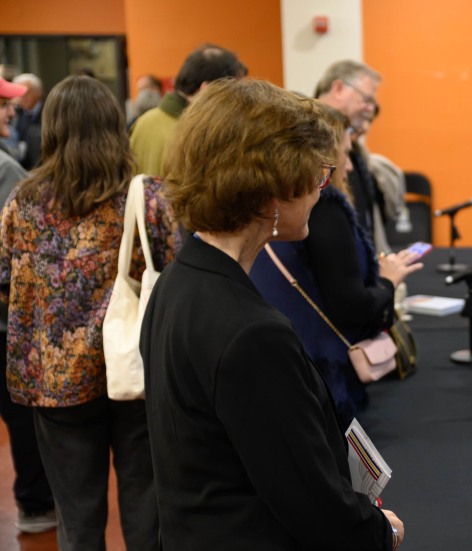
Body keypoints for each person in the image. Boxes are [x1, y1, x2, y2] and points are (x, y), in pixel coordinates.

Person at [142, 78, 404, 550]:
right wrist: (379, 531)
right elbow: (308, 499)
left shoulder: (178, 282)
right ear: (271, 188)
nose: (321, 192)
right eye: (316, 178)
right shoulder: (252, 334)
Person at [0, 75, 181, 549]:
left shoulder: (24, 203)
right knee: (148, 511)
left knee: (77, 520)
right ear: (115, 127)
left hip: (56, 384)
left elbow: (5, 281)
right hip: (136, 373)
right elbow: (178, 276)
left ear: (53, 129)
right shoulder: (148, 198)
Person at [250, 106, 423, 428]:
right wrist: (388, 281)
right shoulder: (326, 206)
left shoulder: (276, 201)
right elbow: (350, 305)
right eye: (344, 153)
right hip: (325, 373)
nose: (348, 164)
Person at [0, 76, 56, 534]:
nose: (10, 113)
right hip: (4, 325)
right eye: (2, 105)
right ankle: (36, 506)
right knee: (23, 418)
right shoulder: (7, 174)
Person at [129, 43, 247, 175]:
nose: (235, 101)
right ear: (207, 89)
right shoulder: (197, 134)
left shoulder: (142, 123)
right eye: (232, 92)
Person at [315, 60, 386, 248]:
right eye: (367, 99)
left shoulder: (353, 146)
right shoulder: (310, 140)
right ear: (338, 88)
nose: (370, 109)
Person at [11, 73, 43, 169]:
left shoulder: (48, 112)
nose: (21, 97)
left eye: (25, 93)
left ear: (38, 92)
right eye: (18, 93)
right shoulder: (14, 113)